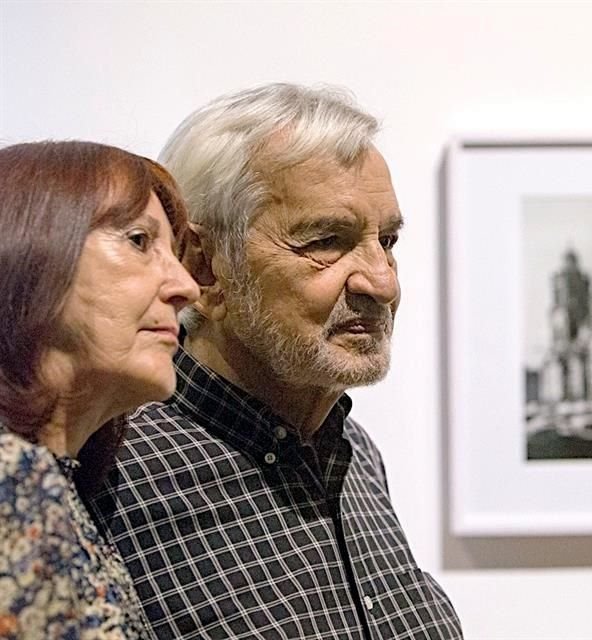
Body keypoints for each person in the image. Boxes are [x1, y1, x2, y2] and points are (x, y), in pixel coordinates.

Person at [88, 84, 463, 639]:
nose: (383, 283)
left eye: (387, 241)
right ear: (204, 266)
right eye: (327, 241)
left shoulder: (354, 451)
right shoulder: (111, 468)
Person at [0, 141, 200, 638]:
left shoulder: (65, 493)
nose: (187, 287)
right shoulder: (12, 480)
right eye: (139, 241)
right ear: (28, 252)